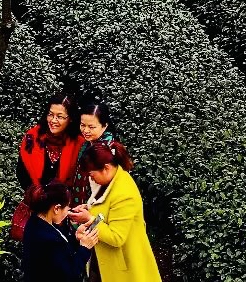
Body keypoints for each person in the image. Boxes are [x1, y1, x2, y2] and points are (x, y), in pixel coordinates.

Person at [68, 144, 159, 282]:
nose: (91, 179)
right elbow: (106, 209)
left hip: (123, 266)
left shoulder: (124, 194)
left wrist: (90, 219)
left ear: (106, 168)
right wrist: (88, 208)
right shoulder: (111, 180)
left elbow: (117, 237)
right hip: (103, 259)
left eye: (92, 175)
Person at [18, 181, 97, 282]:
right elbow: (69, 273)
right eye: (67, 206)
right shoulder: (49, 239)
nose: (68, 210)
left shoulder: (36, 222)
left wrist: (76, 238)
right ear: (56, 208)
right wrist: (85, 248)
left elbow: (59, 255)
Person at [18, 94, 81, 193]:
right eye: (50, 114)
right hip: (34, 200)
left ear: (71, 119)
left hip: (65, 203)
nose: (53, 120)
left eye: (59, 116)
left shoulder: (79, 143)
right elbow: (22, 173)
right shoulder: (32, 136)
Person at [72, 101, 131, 199]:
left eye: (91, 127)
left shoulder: (109, 150)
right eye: (82, 125)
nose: (85, 130)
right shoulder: (86, 144)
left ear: (105, 126)